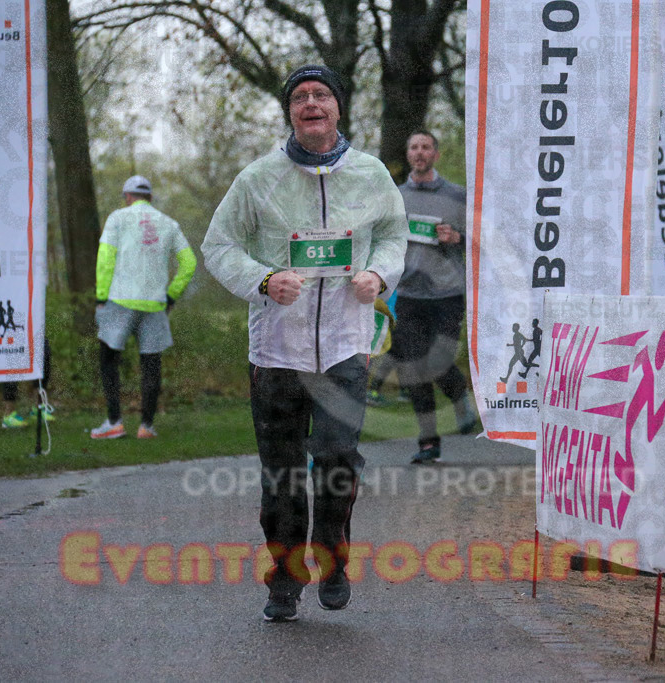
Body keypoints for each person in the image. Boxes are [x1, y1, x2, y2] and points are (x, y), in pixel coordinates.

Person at [201, 64, 407, 622]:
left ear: (339, 108)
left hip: (344, 345)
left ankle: (333, 560)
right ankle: (286, 578)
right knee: (283, 474)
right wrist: (263, 280)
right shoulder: (258, 178)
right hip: (276, 352)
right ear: (290, 111)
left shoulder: (369, 175)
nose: (311, 103)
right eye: (300, 97)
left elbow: (393, 234)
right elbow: (218, 246)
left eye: (321, 95)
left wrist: (380, 274)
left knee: (338, 461)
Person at [391, 130, 477, 464]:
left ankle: (459, 396)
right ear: (409, 154)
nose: (420, 152)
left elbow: (481, 241)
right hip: (410, 292)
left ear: (435, 155)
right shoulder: (395, 196)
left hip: (447, 292)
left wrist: (457, 236)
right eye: (414, 147)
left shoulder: (458, 196)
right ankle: (428, 442)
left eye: (426, 147)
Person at [90, 175, 196, 439]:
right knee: (151, 364)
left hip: (119, 299)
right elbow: (189, 263)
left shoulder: (117, 218)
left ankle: (114, 422)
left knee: (108, 360)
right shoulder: (169, 224)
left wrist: (101, 295)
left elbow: (105, 259)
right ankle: (146, 426)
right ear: (150, 198)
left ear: (127, 197)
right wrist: (171, 296)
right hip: (154, 303)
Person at [1, 337, 55, 428]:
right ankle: (8, 415)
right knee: (12, 361)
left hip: (32, 325)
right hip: (11, 329)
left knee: (44, 353)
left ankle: (38, 409)